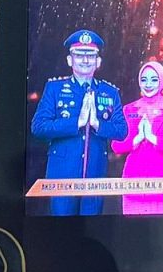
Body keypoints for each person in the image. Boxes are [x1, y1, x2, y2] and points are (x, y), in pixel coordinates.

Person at [30, 29, 127, 216]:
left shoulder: (109, 92)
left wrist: (97, 124)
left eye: (90, 56)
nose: (85, 60)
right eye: (79, 55)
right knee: (61, 228)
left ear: (98, 62)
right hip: (62, 176)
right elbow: (38, 127)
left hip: (95, 175)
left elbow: (122, 131)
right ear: (70, 60)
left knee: (92, 226)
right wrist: (77, 123)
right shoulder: (55, 88)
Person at [112, 61, 163, 215]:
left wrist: (153, 139)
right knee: (132, 226)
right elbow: (116, 146)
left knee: (160, 225)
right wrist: (137, 139)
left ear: (161, 81)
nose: (148, 84)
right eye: (144, 80)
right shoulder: (129, 110)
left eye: (154, 80)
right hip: (134, 182)